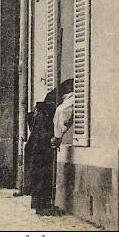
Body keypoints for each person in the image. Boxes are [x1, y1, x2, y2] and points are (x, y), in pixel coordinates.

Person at [23, 79, 73, 215]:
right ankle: (43, 207)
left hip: (38, 121)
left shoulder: (64, 87)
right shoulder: (77, 90)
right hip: (45, 125)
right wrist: (57, 136)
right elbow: (62, 111)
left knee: (38, 164)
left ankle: (39, 204)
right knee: (44, 166)